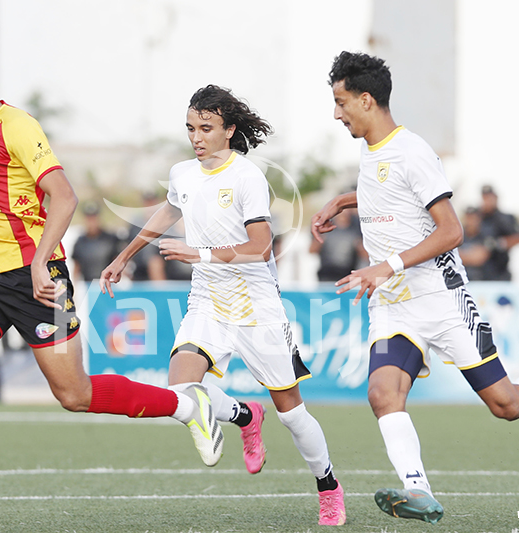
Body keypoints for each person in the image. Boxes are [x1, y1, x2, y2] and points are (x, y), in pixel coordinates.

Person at [311, 51, 519, 525]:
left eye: (340, 103)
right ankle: (417, 491)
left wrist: (386, 266)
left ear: (366, 99)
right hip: (394, 306)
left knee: (508, 405)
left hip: (441, 298)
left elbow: (450, 231)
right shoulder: (371, 149)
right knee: (382, 393)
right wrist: (344, 199)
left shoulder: (411, 150)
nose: (336, 114)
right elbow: (389, 190)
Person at [0, 40, 223, 530]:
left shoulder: (17, 127)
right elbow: (6, 196)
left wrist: (42, 261)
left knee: (75, 395)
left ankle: (186, 405)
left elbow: (63, 197)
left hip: (41, 282)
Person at [100, 85, 346, 526]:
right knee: (180, 389)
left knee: (291, 411)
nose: (197, 137)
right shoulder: (182, 173)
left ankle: (327, 485)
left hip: (256, 304)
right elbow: (167, 213)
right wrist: (123, 257)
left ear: (229, 130)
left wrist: (201, 253)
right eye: (191, 128)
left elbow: (260, 244)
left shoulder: (247, 177)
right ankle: (244, 415)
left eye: (207, 128)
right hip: (208, 299)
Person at [309, 204, 367, 282]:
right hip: (326, 274)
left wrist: (358, 244)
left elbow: (366, 256)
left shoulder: (357, 227)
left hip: (350, 274)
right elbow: (311, 250)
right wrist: (320, 238)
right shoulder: (326, 227)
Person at [478, 185, 519, 280]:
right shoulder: (477, 218)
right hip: (480, 274)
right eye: (485, 198)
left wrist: (500, 243)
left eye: (490, 197)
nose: (487, 201)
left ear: (496, 198)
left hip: (501, 272)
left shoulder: (506, 218)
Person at [71, 201, 121, 283]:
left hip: (108, 284)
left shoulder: (111, 239)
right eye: (89, 218)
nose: (92, 221)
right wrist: (75, 286)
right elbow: (76, 267)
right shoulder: (80, 241)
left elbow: (117, 261)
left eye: (94, 218)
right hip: (87, 284)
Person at [457, 206, 490, 281]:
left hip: (481, 279)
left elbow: (480, 258)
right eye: (468, 218)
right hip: (461, 279)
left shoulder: (485, 234)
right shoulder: (458, 234)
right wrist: (471, 254)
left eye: (473, 218)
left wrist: (463, 255)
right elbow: (455, 256)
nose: (470, 221)